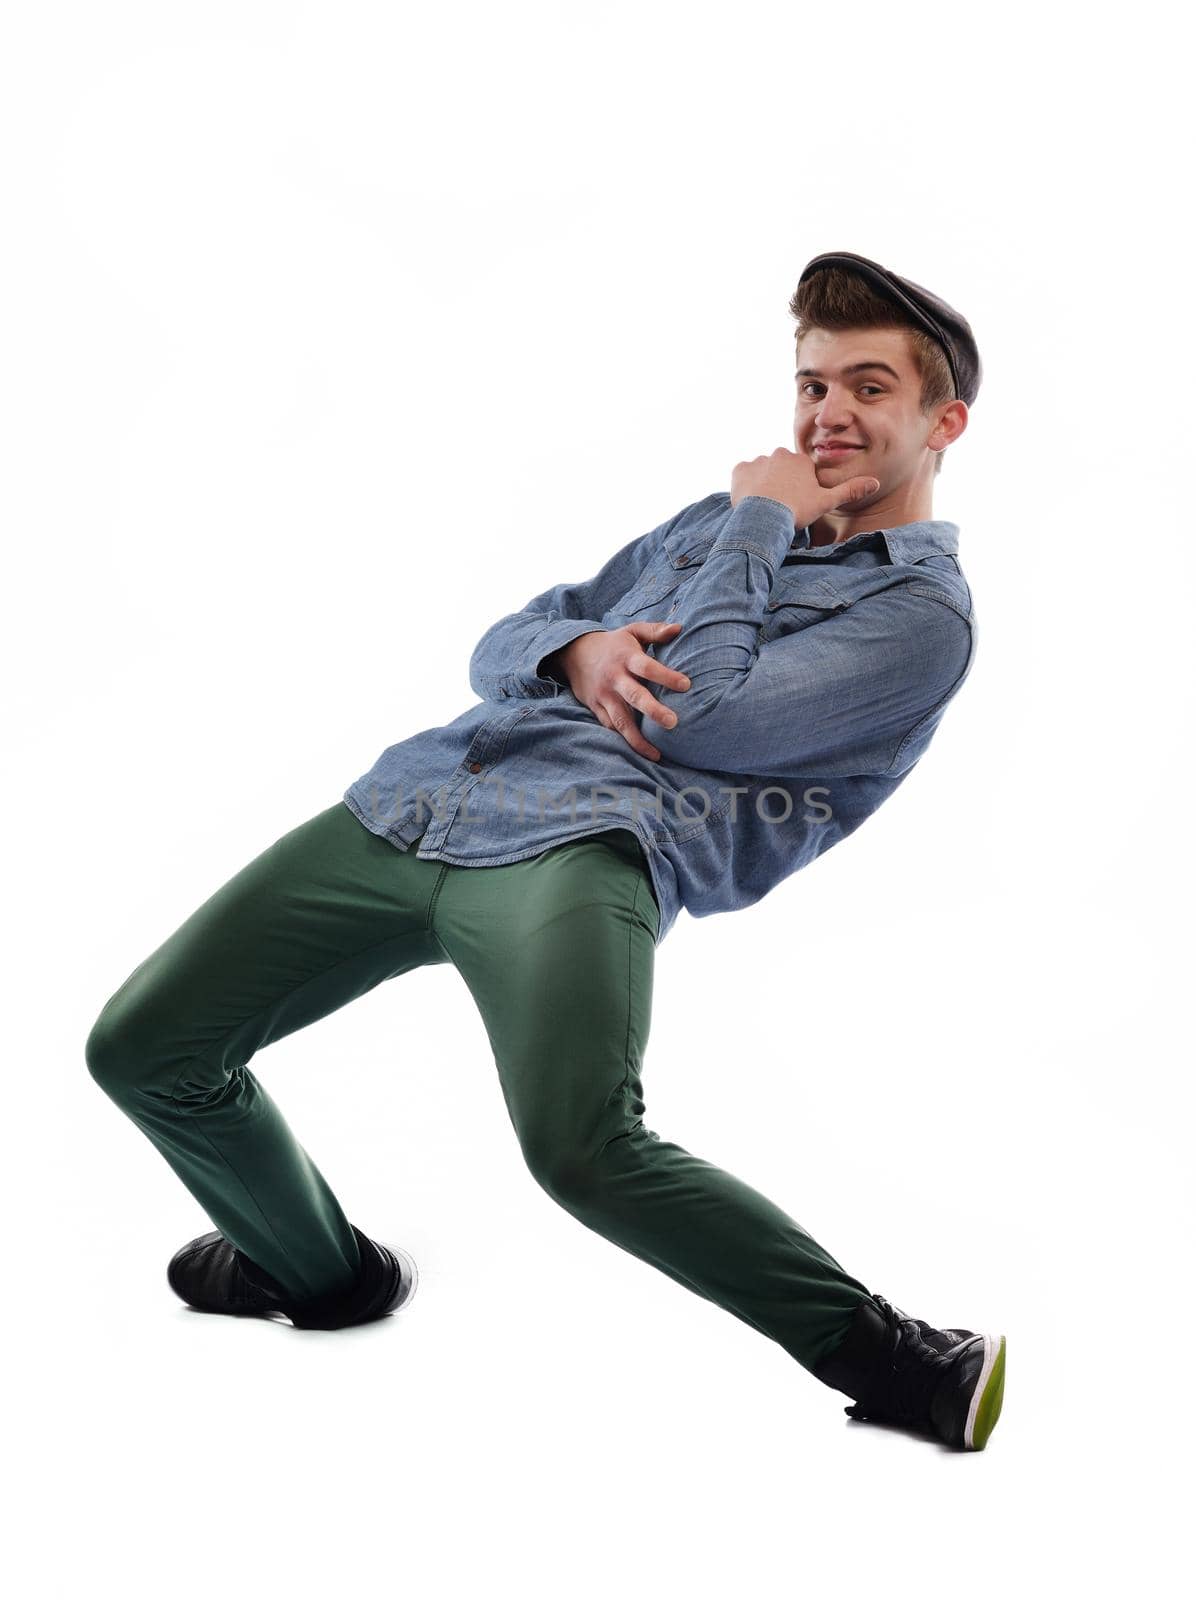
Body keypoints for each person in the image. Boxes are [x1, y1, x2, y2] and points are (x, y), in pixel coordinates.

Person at [85, 249, 1005, 1450]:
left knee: (582, 1145)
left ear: (943, 422)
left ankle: (895, 1359)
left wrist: (760, 522)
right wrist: (575, 654)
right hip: (424, 798)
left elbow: (700, 712)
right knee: (144, 1046)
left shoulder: (916, 619)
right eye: (810, 384)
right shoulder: (710, 520)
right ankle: (319, 1273)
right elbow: (505, 634)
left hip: (581, 847)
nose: (825, 414)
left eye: (866, 389)